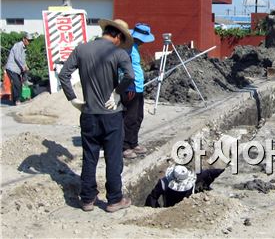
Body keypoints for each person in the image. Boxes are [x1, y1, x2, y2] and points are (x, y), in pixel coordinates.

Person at [58, 19, 135, 213]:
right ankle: (114, 199)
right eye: (121, 39)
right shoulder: (118, 53)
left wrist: (73, 99)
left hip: (89, 113)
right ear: (117, 36)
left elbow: (63, 75)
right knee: (113, 157)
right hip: (111, 115)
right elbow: (130, 76)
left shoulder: (81, 49)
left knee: (90, 157)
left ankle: (87, 199)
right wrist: (117, 92)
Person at [122, 23, 155, 159]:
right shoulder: (127, 49)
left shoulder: (134, 47)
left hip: (138, 87)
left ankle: (133, 142)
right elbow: (122, 69)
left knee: (138, 116)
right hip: (131, 87)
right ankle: (125, 146)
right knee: (130, 118)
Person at [145, 165, 225, 208]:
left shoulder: (195, 177)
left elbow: (209, 173)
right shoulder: (164, 183)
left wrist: (224, 171)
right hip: (169, 209)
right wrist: (155, 210)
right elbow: (152, 197)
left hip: (190, 208)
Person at [5, 32, 35, 105]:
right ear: (24, 39)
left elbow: (22, 59)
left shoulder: (24, 47)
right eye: (28, 40)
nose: (29, 42)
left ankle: (15, 99)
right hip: (12, 68)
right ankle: (17, 100)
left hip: (16, 70)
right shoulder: (18, 45)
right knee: (17, 84)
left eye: (30, 41)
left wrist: (25, 65)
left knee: (18, 84)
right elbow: (17, 57)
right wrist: (23, 66)